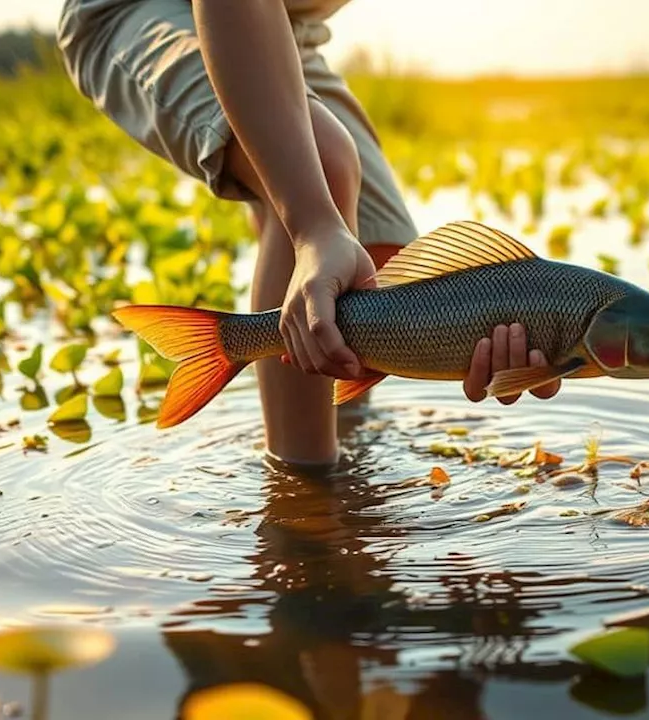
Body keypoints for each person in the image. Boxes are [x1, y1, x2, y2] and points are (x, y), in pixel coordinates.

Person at [57, 0, 560, 466]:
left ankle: (348, 445)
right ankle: (303, 518)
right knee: (320, 168)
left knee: (377, 265)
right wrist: (313, 225)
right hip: (153, 9)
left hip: (291, 32)